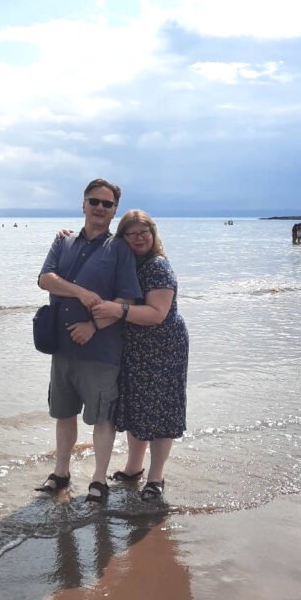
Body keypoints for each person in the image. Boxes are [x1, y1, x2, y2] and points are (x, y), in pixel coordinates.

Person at [36, 180, 142, 504]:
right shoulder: (64, 241)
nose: (99, 207)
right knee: (63, 414)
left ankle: (98, 480)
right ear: (82, 205)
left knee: (102, 417)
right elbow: (45, 279)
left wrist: (93, 326)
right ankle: (61, 473)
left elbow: (128, 300)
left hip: (101, 350)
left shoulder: (119, 249)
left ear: (114, 211)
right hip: (61, 347)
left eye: (107, 204)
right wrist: (81, 292)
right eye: (93, 201)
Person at [91, 210, 189, 502]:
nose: (139, 238)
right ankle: (134, 468)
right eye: (131, 234)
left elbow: (157, 314)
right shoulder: (128, 262)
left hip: (164, 347)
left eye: (144, 232)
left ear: (153, 234)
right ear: (122, 238)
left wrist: (117, 310)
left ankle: (155, 477)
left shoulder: (158, 266)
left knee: (161, 410)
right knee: (137, 408)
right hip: (135, 346)